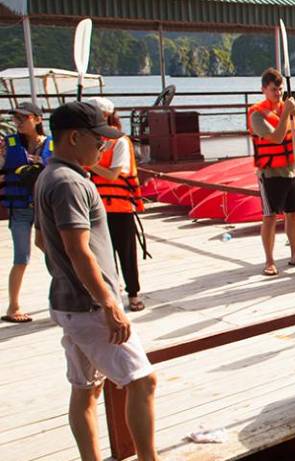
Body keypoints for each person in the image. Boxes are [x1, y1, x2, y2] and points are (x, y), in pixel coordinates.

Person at [34, 101, 158, 461]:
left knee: (85, 389)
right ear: (74, 138)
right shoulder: (70, 183)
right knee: (142, 381)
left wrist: (65, 271)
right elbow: (79, 249)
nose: (103, 147)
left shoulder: (48, 176)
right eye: (98, 140)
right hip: (90, 306)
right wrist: (107, 303)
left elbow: (43, 240)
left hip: (66, 301)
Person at [247, 67, 295, 277]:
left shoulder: (288, 108)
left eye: (280, 89)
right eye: (274, 90)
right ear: (264, 90)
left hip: (292, 170)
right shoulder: (257, 114)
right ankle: (269, 261)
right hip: (271, 173)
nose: (278, 93)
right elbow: (276, 138)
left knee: (293, 214)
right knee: (270, 217)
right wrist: (286, 113)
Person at [86, 97, 147, 312]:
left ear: (105, 115)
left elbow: (113, 174)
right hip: (94, 205)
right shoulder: (87, 140)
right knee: (101, 253)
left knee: (126, 253)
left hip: (118, 207)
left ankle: (133, 293)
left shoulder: (119, 140)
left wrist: (89, 164)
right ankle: (109, 292)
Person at [0, 102, 53, 323]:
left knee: (53, 251)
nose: (19, 122)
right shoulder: (8, 145)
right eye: (16, 118)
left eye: (24, 117)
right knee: (21, 256)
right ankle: (13, 306)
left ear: (38, 119)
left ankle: (68, 294)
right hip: (20, 207)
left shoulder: (52, 144)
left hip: (44, 206)